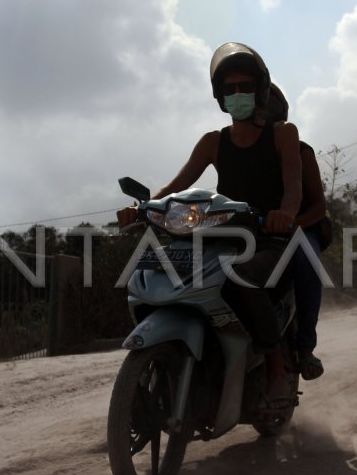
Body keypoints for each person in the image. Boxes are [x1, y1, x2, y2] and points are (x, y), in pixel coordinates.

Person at [118, 42, 302, 409]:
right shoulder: (213, 143)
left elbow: (294, 188)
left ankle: (276, 368)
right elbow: (174, 188)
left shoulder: (283, 134)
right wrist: (142, 209)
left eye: (245, 87)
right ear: (220, 96)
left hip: (266, 238)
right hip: (217, 235)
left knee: (241, 281)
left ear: (260, 90)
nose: (237, 94)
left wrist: (284, 213)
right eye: (229, 89)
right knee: (154, 270)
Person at [264, 83, 328, 381]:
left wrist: (293, 223)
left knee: (307, 262)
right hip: (253, 231)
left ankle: (305, 348)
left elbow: (318, 206)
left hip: (298, 231)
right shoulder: (236, 150)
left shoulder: (301, 152)